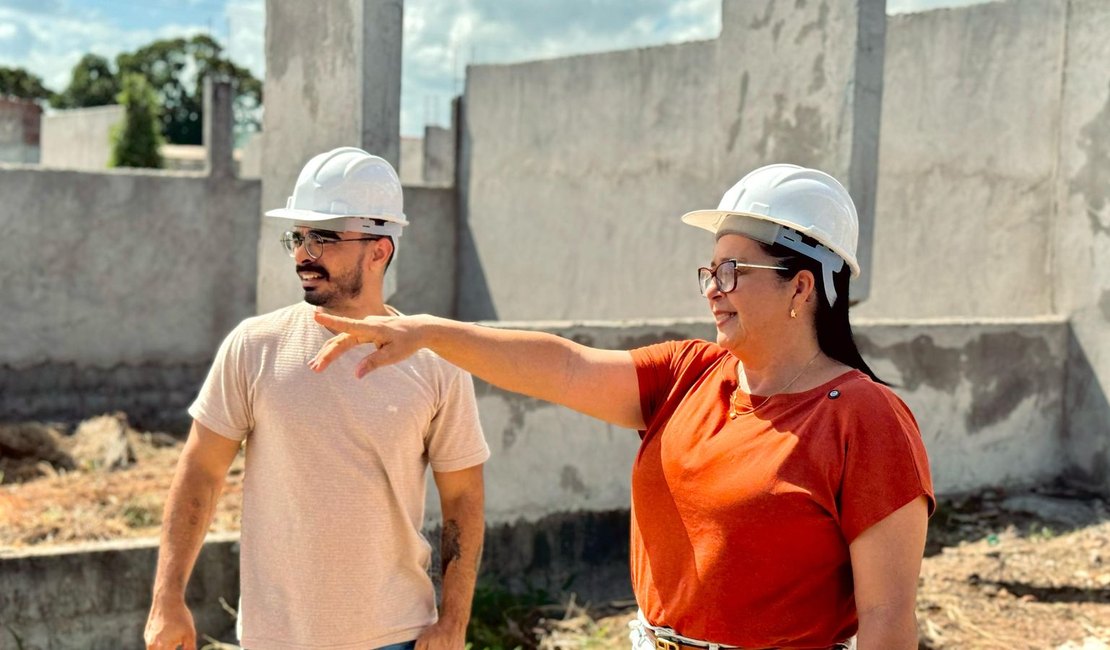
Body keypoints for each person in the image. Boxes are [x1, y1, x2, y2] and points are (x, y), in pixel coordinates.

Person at [308, 164, 935, 650]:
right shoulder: (691, 374)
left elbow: (886, 617)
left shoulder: (865, 419)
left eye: (732, 271)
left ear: (802, 285)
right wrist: (430, 333)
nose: (713, 292)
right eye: (708, 272)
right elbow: (566, 366)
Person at [144, 147, 490, 650]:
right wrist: (166, 599)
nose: (304, 254)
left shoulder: (436, 363)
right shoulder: (254, 346)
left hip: (394, 637)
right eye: (298, 237)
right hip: (273, 638)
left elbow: (463, 498)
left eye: (323, 237)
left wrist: (454, 622)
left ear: (379, 250)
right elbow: (201, 471)